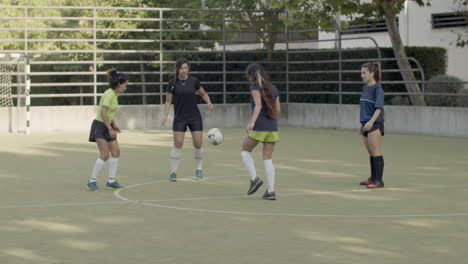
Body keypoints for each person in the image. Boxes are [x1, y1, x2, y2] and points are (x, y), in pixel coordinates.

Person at [161, 58, 214, 181]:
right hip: (180, 117)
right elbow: (168, 101)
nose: (184, 70)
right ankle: (173, 172)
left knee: (198, 144)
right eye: (181, 68)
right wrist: (165, 116)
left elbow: (203, 94)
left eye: (186, 68)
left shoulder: (194, 81)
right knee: (178, 143)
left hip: (195, 117)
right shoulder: (172, 83)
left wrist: (209, 102)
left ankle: (198, 170)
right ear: (177, 69)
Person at [241, 63, 280, 200]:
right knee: (267, 158)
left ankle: (254, 179)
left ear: (251, 75)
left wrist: (251, 122)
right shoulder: (274, 89)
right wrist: (273, 122)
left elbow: (258, 105)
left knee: (245, 150)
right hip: (272, 127)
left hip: (260, 125)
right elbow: (278, 111)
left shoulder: (254, 87)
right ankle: (271, 191)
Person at [87, 69, 128, 191]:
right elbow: (103, 112)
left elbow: (110, 113)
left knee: (116, 152)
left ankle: (111, 181)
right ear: (119, 84)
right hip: (100, 126)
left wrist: (114, 124)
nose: (126, 88)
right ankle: (91, 181)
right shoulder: (109, 94)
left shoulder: (114, 95)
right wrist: (110, 128)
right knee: (104, 155)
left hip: (108, 125)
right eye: (125, 85)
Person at [359, 62, 385, 188]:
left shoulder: (378, 88)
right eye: (362, 72)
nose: (362, 75)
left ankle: (379, 181)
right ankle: (373, 178)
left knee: (376, 152)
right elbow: (364, 108)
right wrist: (362, 125)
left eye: (364, 73)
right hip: (365, 125)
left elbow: (379, 108)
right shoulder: (365, 88)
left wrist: (371, 122)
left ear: (372, 73)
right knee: (370, 152)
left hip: (374, 124)